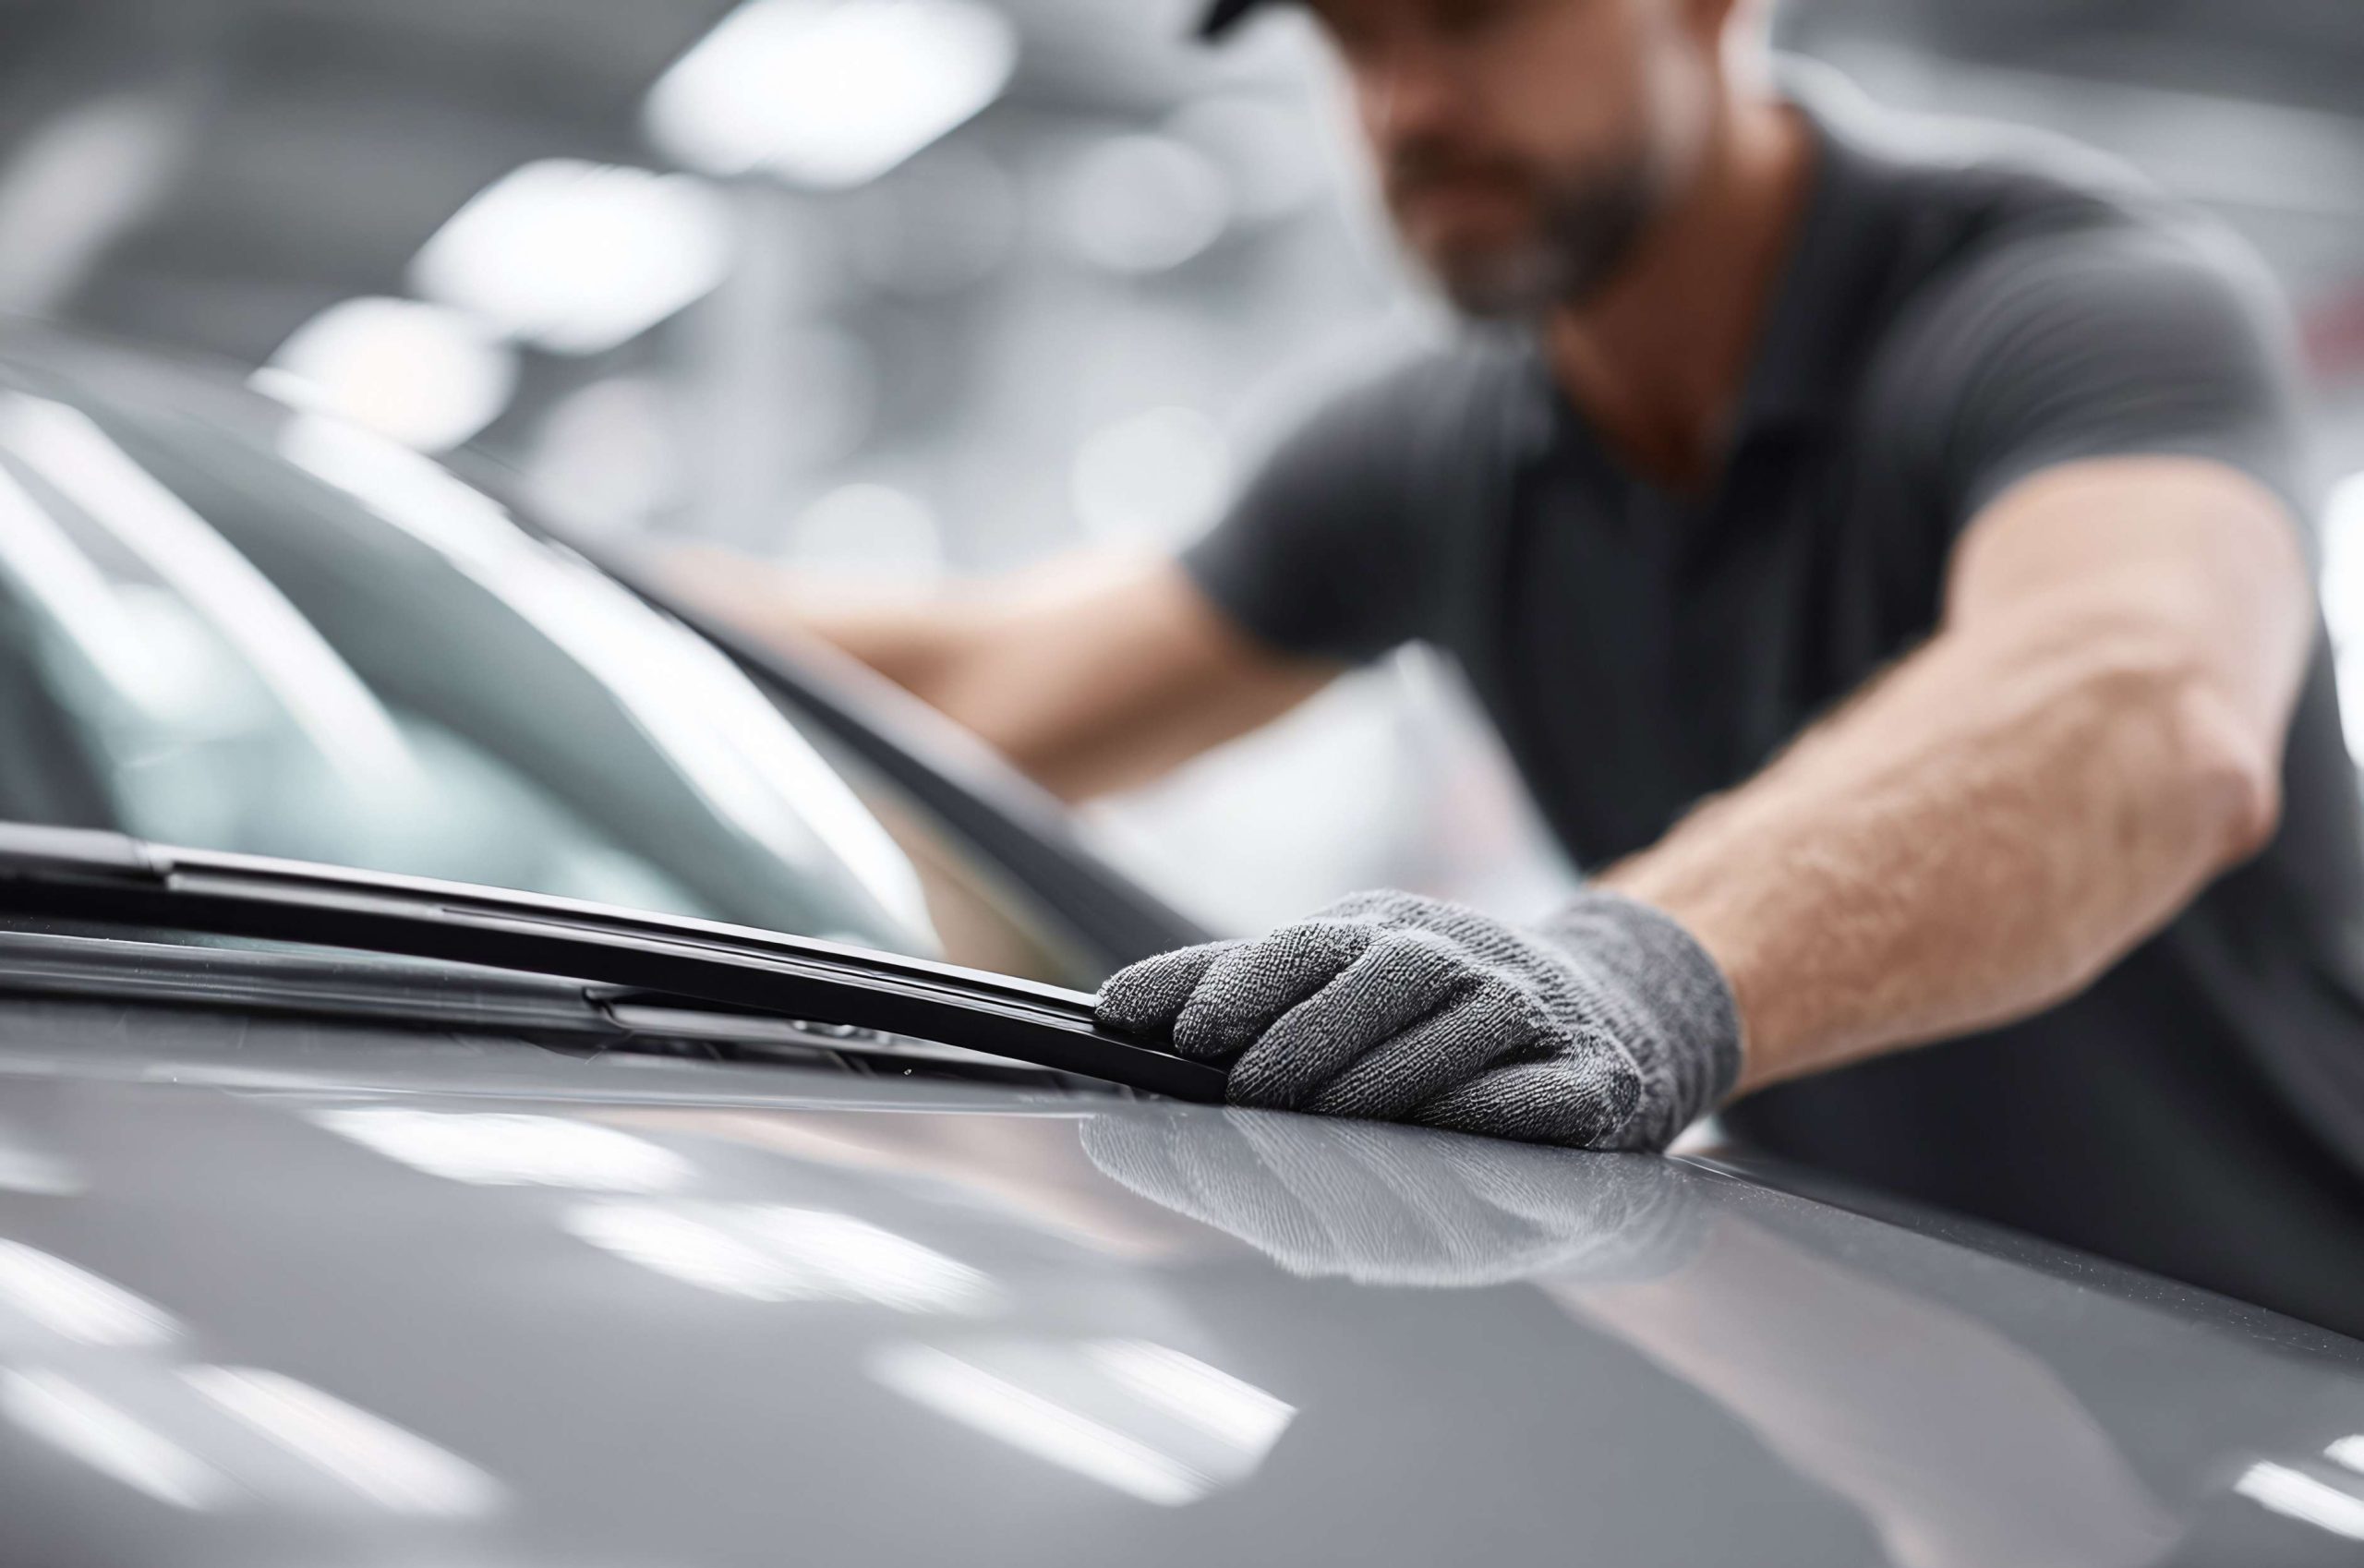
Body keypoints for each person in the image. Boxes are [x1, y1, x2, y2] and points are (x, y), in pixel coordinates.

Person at [663, 0, 2364, 1336]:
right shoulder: (1439, 450)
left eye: (1473, 14)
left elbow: (2142, 703)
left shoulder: (2068, 308)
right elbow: (987, 687)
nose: (1407, 107)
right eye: (1354, 35)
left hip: (2303, 1371)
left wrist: (1645, 977)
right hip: (1944, 1394)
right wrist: (459, 561)